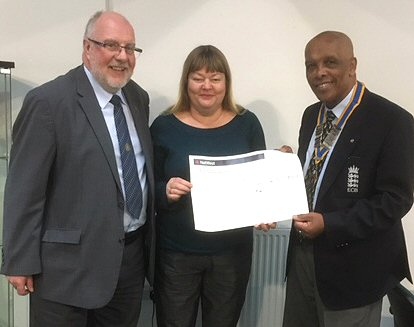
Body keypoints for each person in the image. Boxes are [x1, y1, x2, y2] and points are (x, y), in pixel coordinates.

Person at [1, 11, 155, 327]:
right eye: (111, 45)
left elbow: (135, 170)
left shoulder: (137, 98)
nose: (122, 56)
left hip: (128, 263)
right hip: (65, 271)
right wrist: (19, 261)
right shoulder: (48, 102)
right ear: (87, 48)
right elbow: (24, 189)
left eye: (130, 48)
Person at [282, 31, 414, 327]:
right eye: (311, 65)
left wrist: (330, 224)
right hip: (303, 257)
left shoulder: (392, 120)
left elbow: (395, 200)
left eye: (330, 62)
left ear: (352, 65)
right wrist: (284, 169)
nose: (320, 73)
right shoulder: (311, 115)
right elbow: (319, 177)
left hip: (355, 266)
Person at [150, 45, 269, 327]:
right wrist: (164, 190)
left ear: (226, 83)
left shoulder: (247, 124)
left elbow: (261, 183)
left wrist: (265, 210)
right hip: (176, 255)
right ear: (186, 82)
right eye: (198, 77)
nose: (207, 86)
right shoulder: (164, 126)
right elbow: (145, 185)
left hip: (232, 254)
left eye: (215, 78)